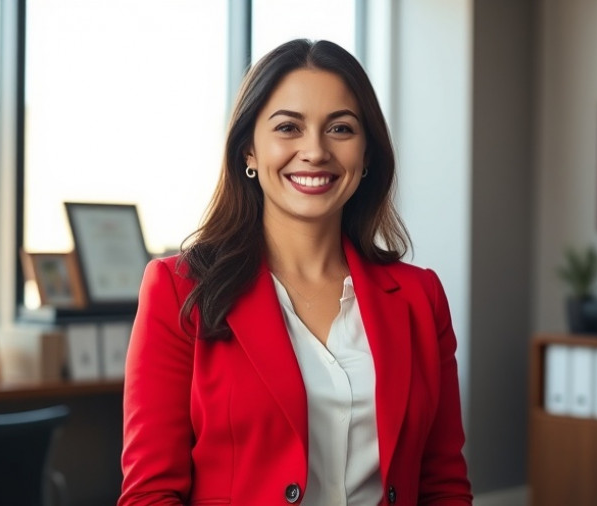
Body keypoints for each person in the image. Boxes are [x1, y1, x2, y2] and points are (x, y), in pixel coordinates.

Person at [119, 39, 472, 506]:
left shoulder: (420, 297)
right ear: (249, 149)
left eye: (341, 129)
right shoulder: (179, 289)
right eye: (288, 127)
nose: (315, 151)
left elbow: (443, 483)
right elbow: (151, 494)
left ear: (366, 155)